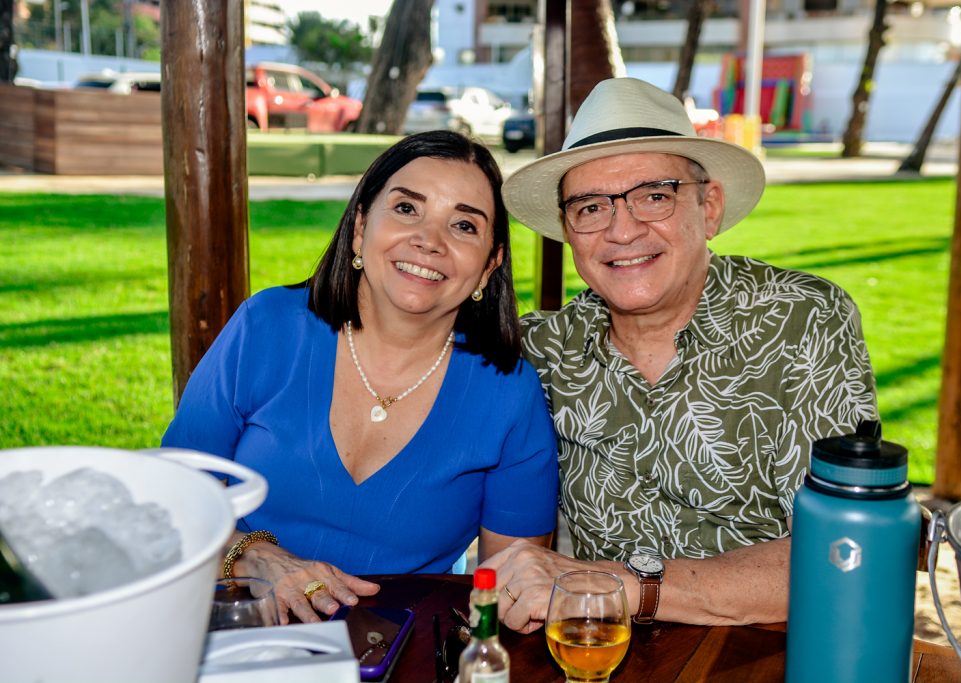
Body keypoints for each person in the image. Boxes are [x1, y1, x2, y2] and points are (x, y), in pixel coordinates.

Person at [484, 78, 878, 631]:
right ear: (569, 233)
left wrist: (620, 587)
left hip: (768, 653)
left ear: (708, 207)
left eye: (653, 196)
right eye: (590, 207)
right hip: (602, 653)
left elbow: (845, 552)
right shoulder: (545, 349)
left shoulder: (801, 320)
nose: (622, 230)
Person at [162, 131, 559, 624]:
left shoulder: (509, 394)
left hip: (400, 655)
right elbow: (169, 493)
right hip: (233, 629)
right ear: (359, 228)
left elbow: (510, 591)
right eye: (407, 209)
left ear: (487, 267)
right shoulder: (266, 327)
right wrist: (247, 556)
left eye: (463, 225)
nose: (429, 241)